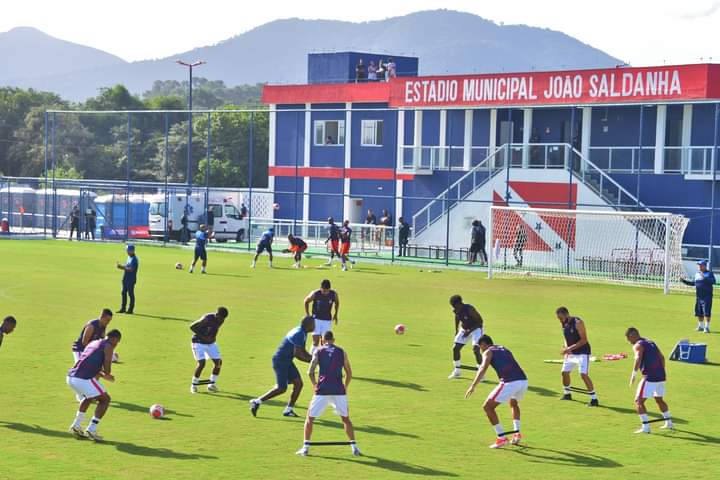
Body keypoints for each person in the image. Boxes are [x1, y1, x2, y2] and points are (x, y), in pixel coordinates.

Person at [296, 331, 361, 457]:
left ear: (322, 340)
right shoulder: (342, 352)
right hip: (339, 391)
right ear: (334, 340)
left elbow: (310, 372)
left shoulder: (318, 351)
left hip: (323, 390)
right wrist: (345, 387)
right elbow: (349, 373)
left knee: (309, 419)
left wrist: (315, 385)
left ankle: (305, 447)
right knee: (346, 419)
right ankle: (354, 447)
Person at [465, 335, 527, 448]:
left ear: (483, 344)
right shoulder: (504, 348)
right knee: (514, 404)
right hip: (523, 381)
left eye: (480, 347)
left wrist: (473, 385)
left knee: (487, 407)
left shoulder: (487, 351)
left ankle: (501, 438)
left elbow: (483, 368)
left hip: (510, 382)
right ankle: (517, 434)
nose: (480, 350)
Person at [250, 316, 315, 418]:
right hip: (280, 361)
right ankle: (257, 401)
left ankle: (288, 410)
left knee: (298, 384)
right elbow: (298, 354)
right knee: (281, 388)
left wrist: (313, 358)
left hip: (287, 361)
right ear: (309, 325)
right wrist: (312, 361)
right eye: (313, 324)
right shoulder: (299, 334)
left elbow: (302, 350)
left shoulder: (303, 332)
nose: (315, 326)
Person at [66, 329, 122, 441]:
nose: (117, 344)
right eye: (118, 341)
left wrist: (101, 374)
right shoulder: (108, 346)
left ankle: (76, 426)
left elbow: (88, 362)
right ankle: (91, 429)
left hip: (71, 377)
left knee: (88, 397)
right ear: (114, 339)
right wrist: (107, 375)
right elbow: (107, 369)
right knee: (105, 399)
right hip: (82, 379)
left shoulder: (94, 342)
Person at [626, 327, 673, 433]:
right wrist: (661, 371)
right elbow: (662, 357)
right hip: (661, 376)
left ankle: (646, 427)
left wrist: (633, 374)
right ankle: (669, 423)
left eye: (629, 339)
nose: (629, 342)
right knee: (659, 399)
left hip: (649, 378)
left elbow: (638, 358)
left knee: (638, 401)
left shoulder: (637, 345)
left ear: (632, 336)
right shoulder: (650, 341)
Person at [556, 307, 599, 406]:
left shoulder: (578, 322)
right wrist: (566, 347)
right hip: (571, 353)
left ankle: (594, 399)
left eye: (561, 318)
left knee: (583, 375)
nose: (560, 320)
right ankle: (567, 394)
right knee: (564, 372)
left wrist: (569, 348)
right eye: (558, 318)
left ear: (567, 314)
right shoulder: (564, 323)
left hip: (583, 352)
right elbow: (565, 337)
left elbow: (584, 340)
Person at [190, 307, 229, 393]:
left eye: (223, 318)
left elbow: (214, 330)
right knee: (202, 363)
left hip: (210, 344)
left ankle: (211, 385)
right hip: (198, 342)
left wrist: (212, 339)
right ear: (217, 314)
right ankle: (193, 385)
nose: (222, 320)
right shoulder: (207, 318)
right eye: (221, 317)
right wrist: (204, 337)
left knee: (218, 362)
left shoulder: (221, 320)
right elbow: (192, 327)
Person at [448, 295, 484, 379]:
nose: (453, 308)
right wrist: (456, 330)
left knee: (476, 349)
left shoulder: (470, 309)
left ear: (459, 304)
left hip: (476, 329)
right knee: (455, 348)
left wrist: (470, 331)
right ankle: (457, 371)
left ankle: (481, 374)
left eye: (454, 305)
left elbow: (480, 322)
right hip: (464, 329)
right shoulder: (456, 310)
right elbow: (457, 317)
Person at [304, 279, 340, 354]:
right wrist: (308, 315)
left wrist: (336, 314)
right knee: (315, 341)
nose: (325, 293)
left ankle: (322, 360)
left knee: (325, 342)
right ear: (321, 288)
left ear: (329, 289)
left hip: (327, 320)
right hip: (316, 319)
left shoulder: (333, 294)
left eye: (327, 291)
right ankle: (311, 359)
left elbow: (337, 303)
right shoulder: (315, 293)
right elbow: (306, 301)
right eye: (324, 291)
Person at [681, 260, 715, 333]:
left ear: (705, 266)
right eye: (699, 265)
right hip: (699, 297)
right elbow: (694, 283)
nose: (699, 266)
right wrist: (684, 281)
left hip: (707, 297)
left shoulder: (709, 273)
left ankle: (706, 327)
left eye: (701, 265)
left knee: (706, 312)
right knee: (699, 312)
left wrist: (704, 277)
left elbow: (713, 281)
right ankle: (700, 326)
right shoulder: (697, 274)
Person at [116, 244, 138, 314]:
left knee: (130, 294)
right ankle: (123, 308)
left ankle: (130, 310)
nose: (126, 251)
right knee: (123, 293)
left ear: (131, 251)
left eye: (127, 250)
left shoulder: (135, 259)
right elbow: (127, 266)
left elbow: (131, 269)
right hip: (125, 278)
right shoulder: (129, 257)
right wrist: (121, 266)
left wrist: (121, 267)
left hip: (131, 280)